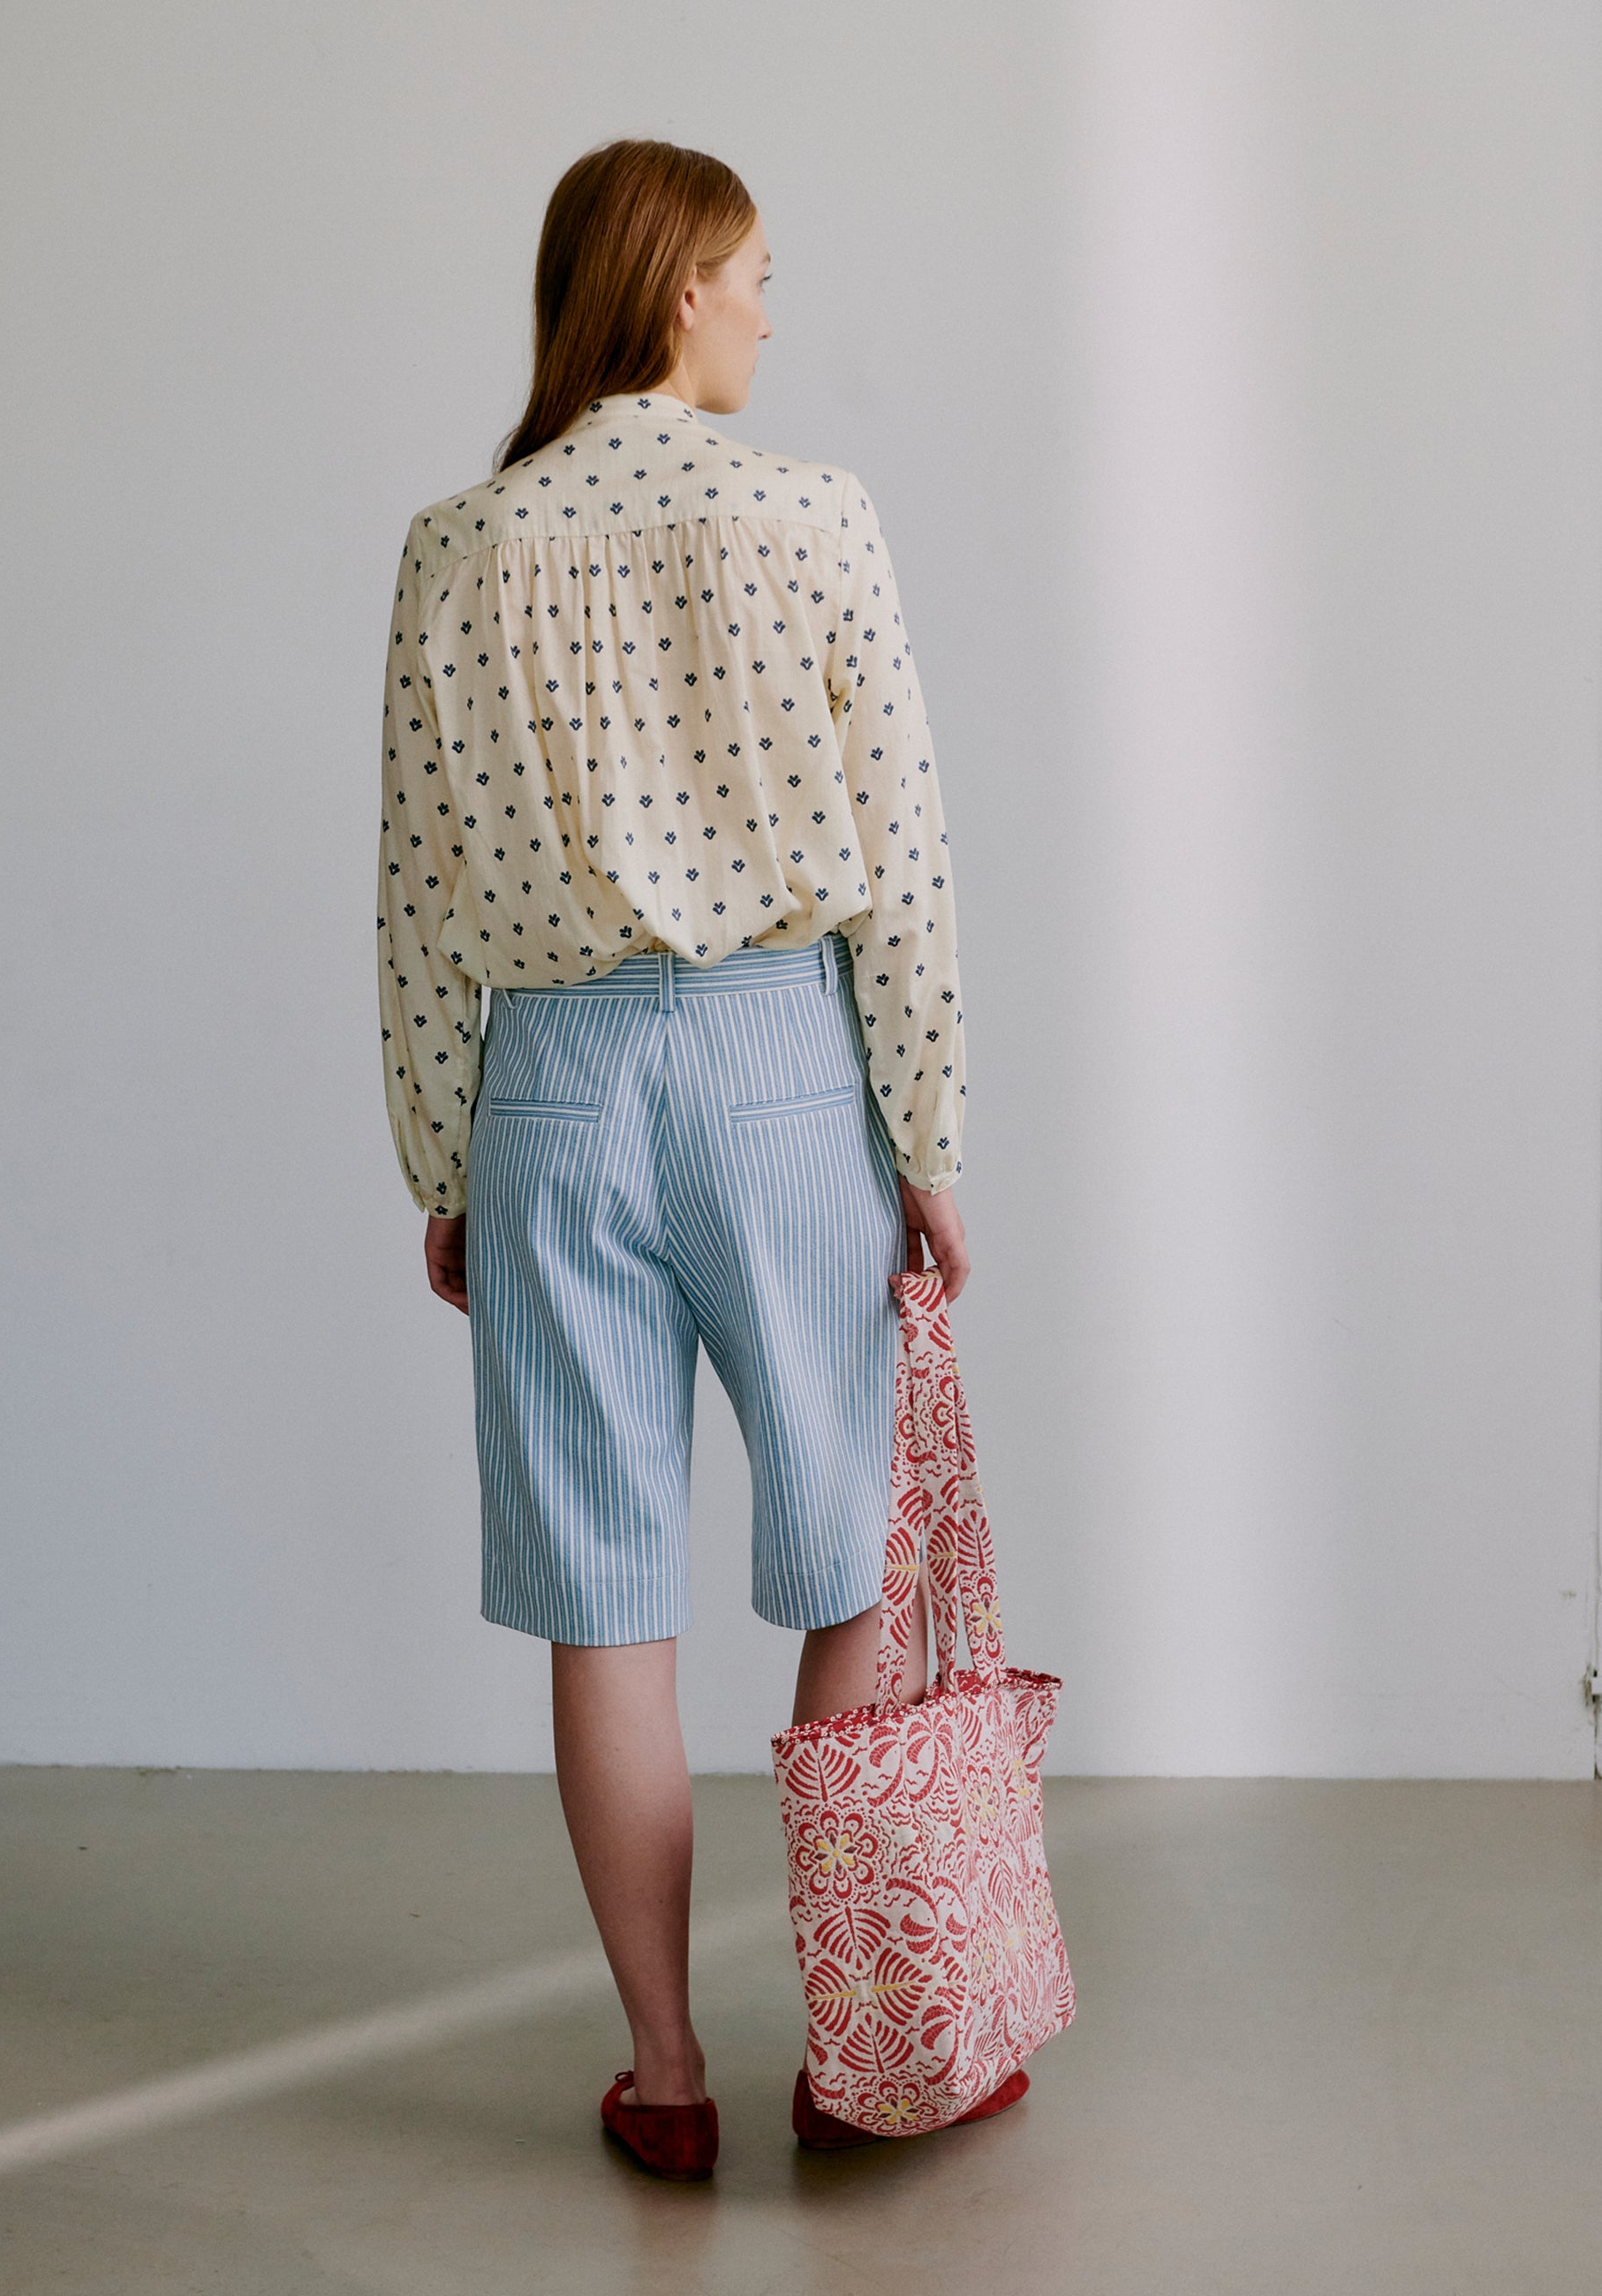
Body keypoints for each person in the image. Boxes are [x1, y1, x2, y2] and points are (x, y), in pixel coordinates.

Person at [377, 138, 991, 2178]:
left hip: (546, 1091)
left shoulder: (457, 545)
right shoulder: (811, 515)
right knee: (850, 1545)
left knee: (603, 1599)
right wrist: (928, 1128)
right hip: (774, 1070)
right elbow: (897, 859)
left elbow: (411, 891)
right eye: (745, 274)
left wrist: (439, 1160)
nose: (764, 310)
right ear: (670, 293)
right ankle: (854, 2040)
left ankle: (663, 2073)